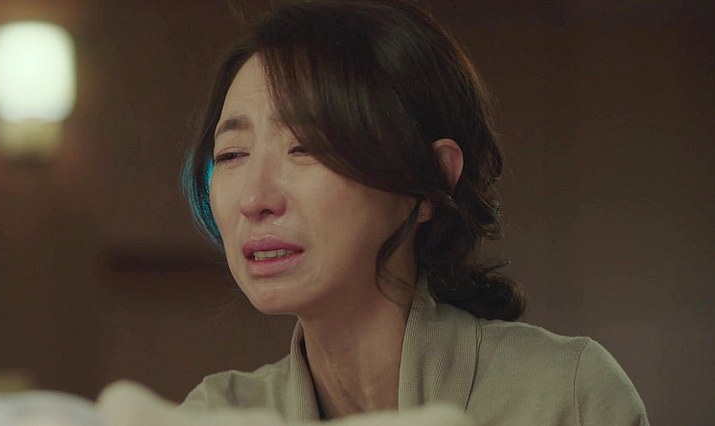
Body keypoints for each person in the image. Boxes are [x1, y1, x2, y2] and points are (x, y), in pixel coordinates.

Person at [179, 1, 649, 424]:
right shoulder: (217, 414)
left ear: (428, 182)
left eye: (306, 147)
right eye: (232, 154)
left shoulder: (564, 396)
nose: (254, 199)